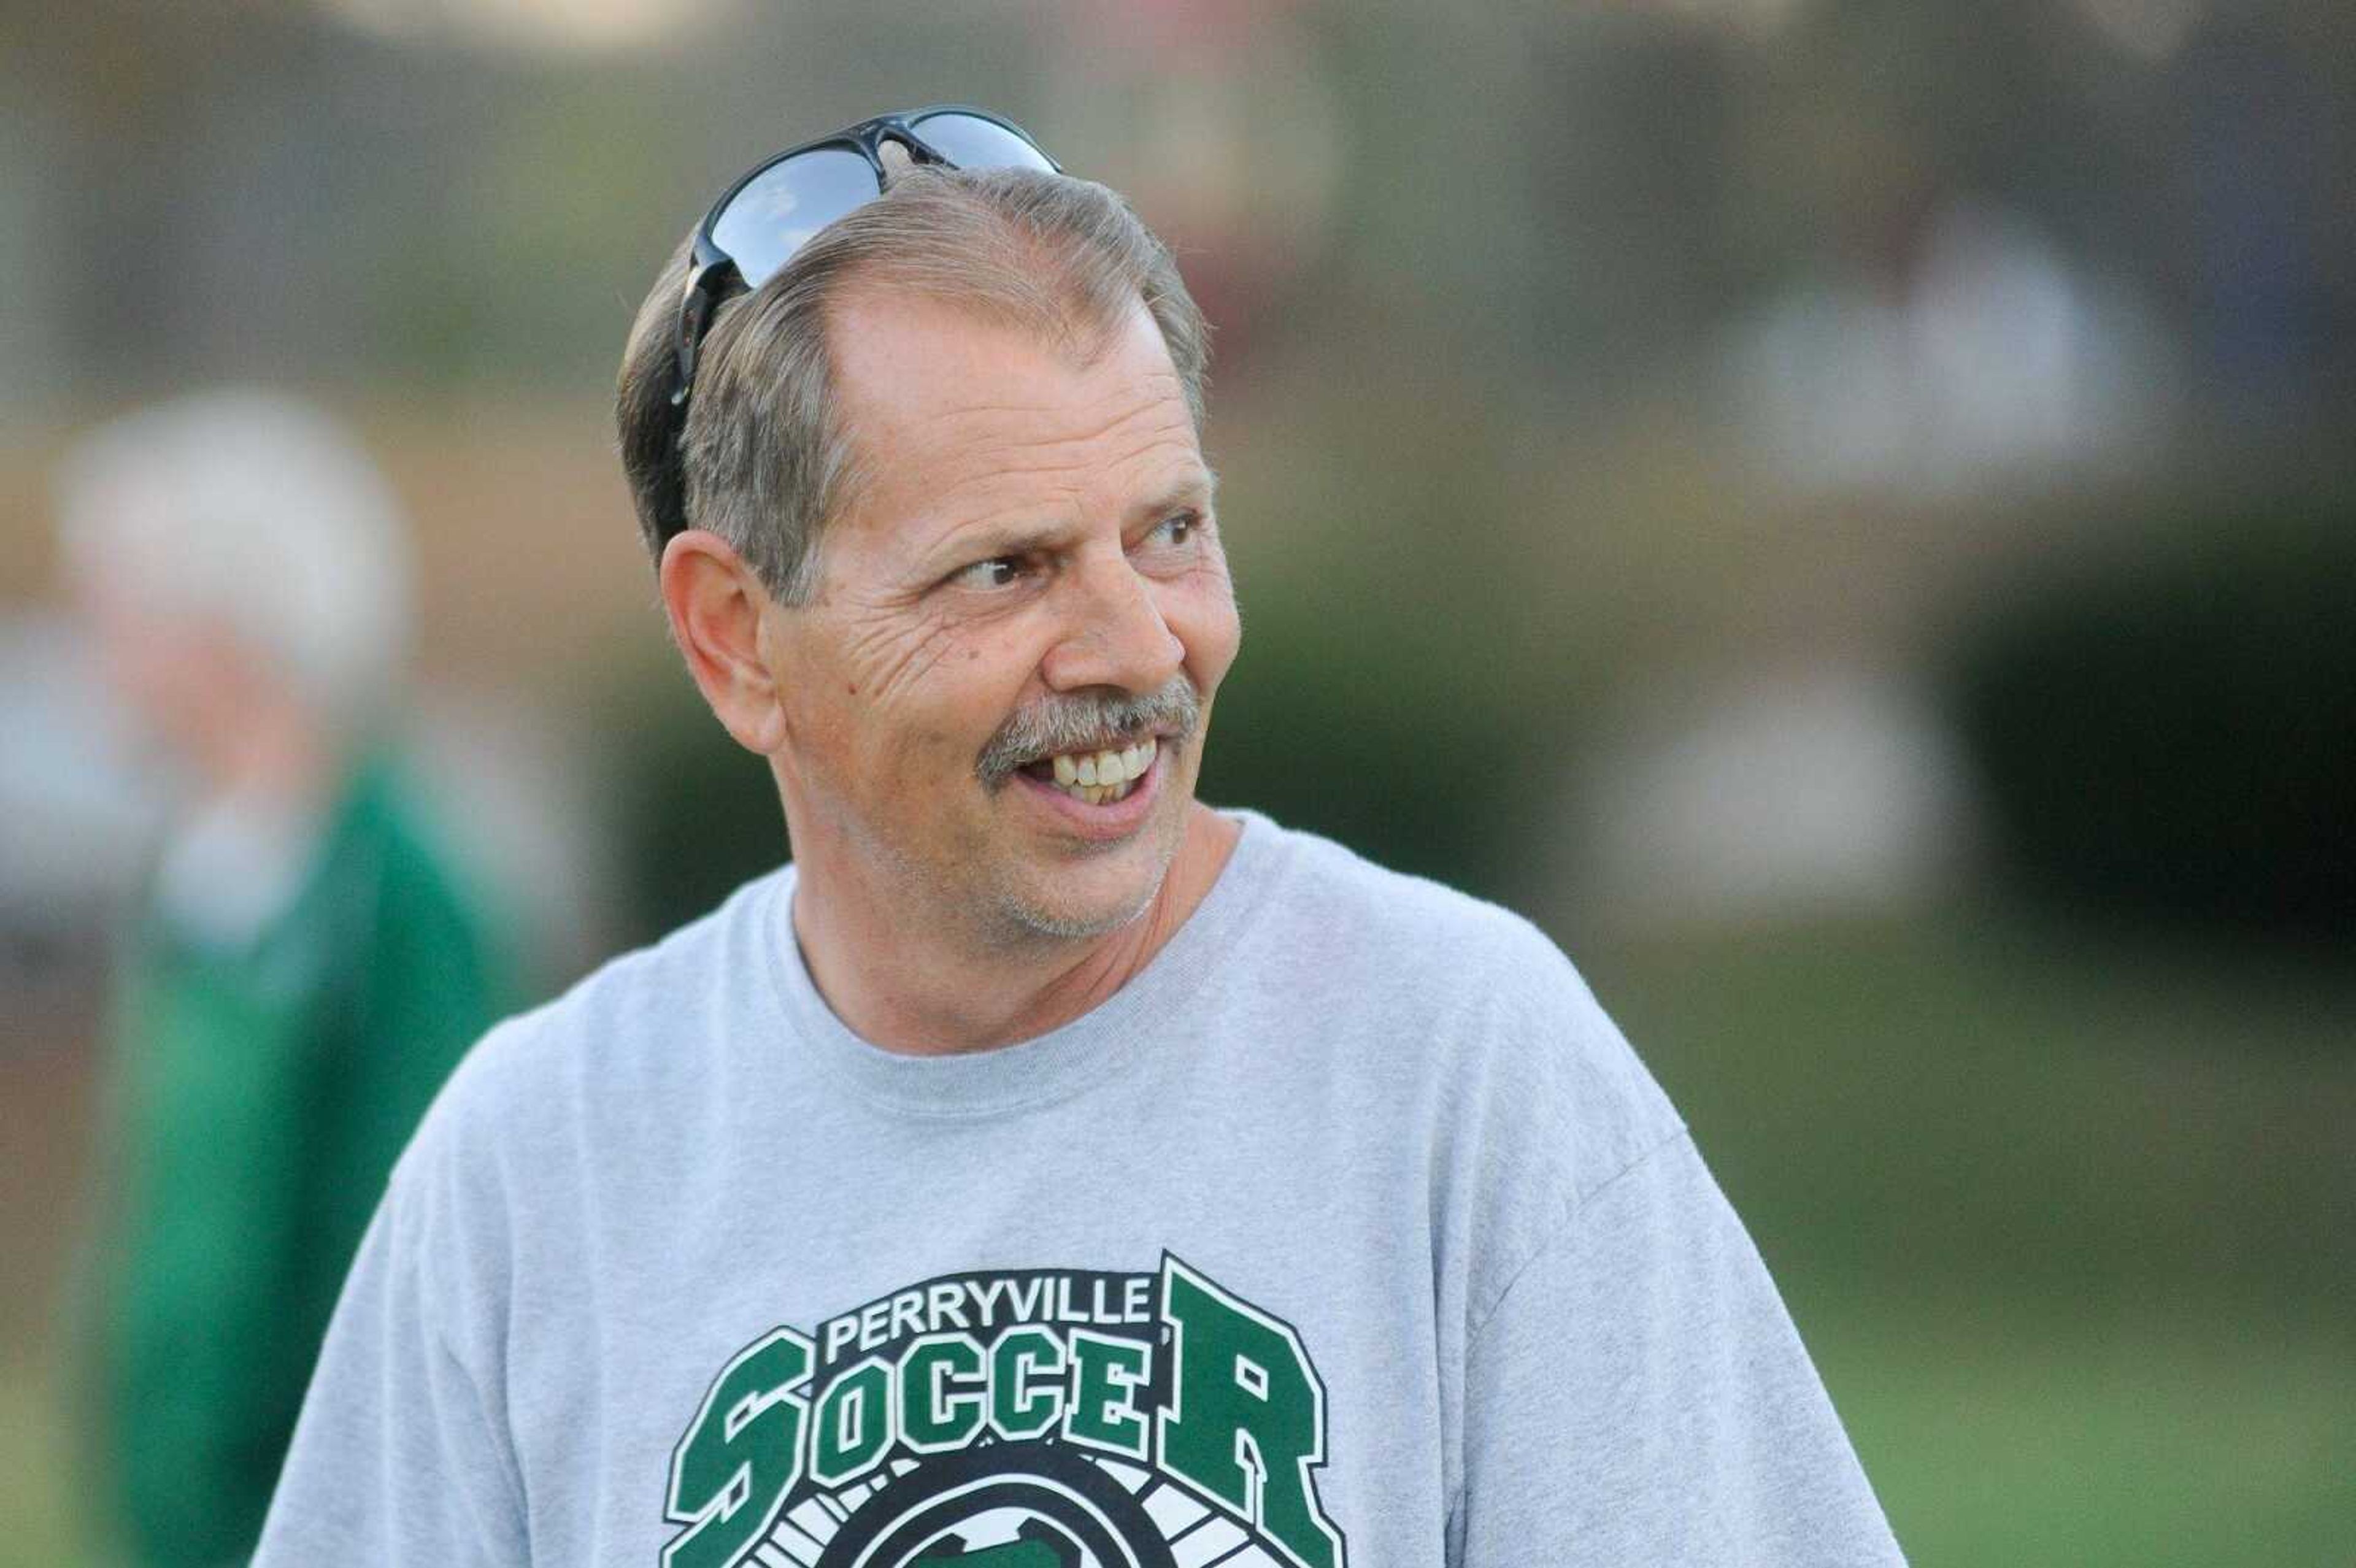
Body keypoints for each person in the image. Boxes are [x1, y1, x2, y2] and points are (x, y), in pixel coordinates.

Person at [256, 110, 1904, 1566]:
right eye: (1008, 568)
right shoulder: (532, 1172)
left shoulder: (1463, 1068)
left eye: (1170, 530)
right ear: (737, 640)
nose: (1139, 644)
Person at [55, 390, 510, 1566]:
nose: (96, 650)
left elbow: (415, 1248)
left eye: (123, 613)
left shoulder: (397, 895)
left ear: (228, 630)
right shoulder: (198, 874)